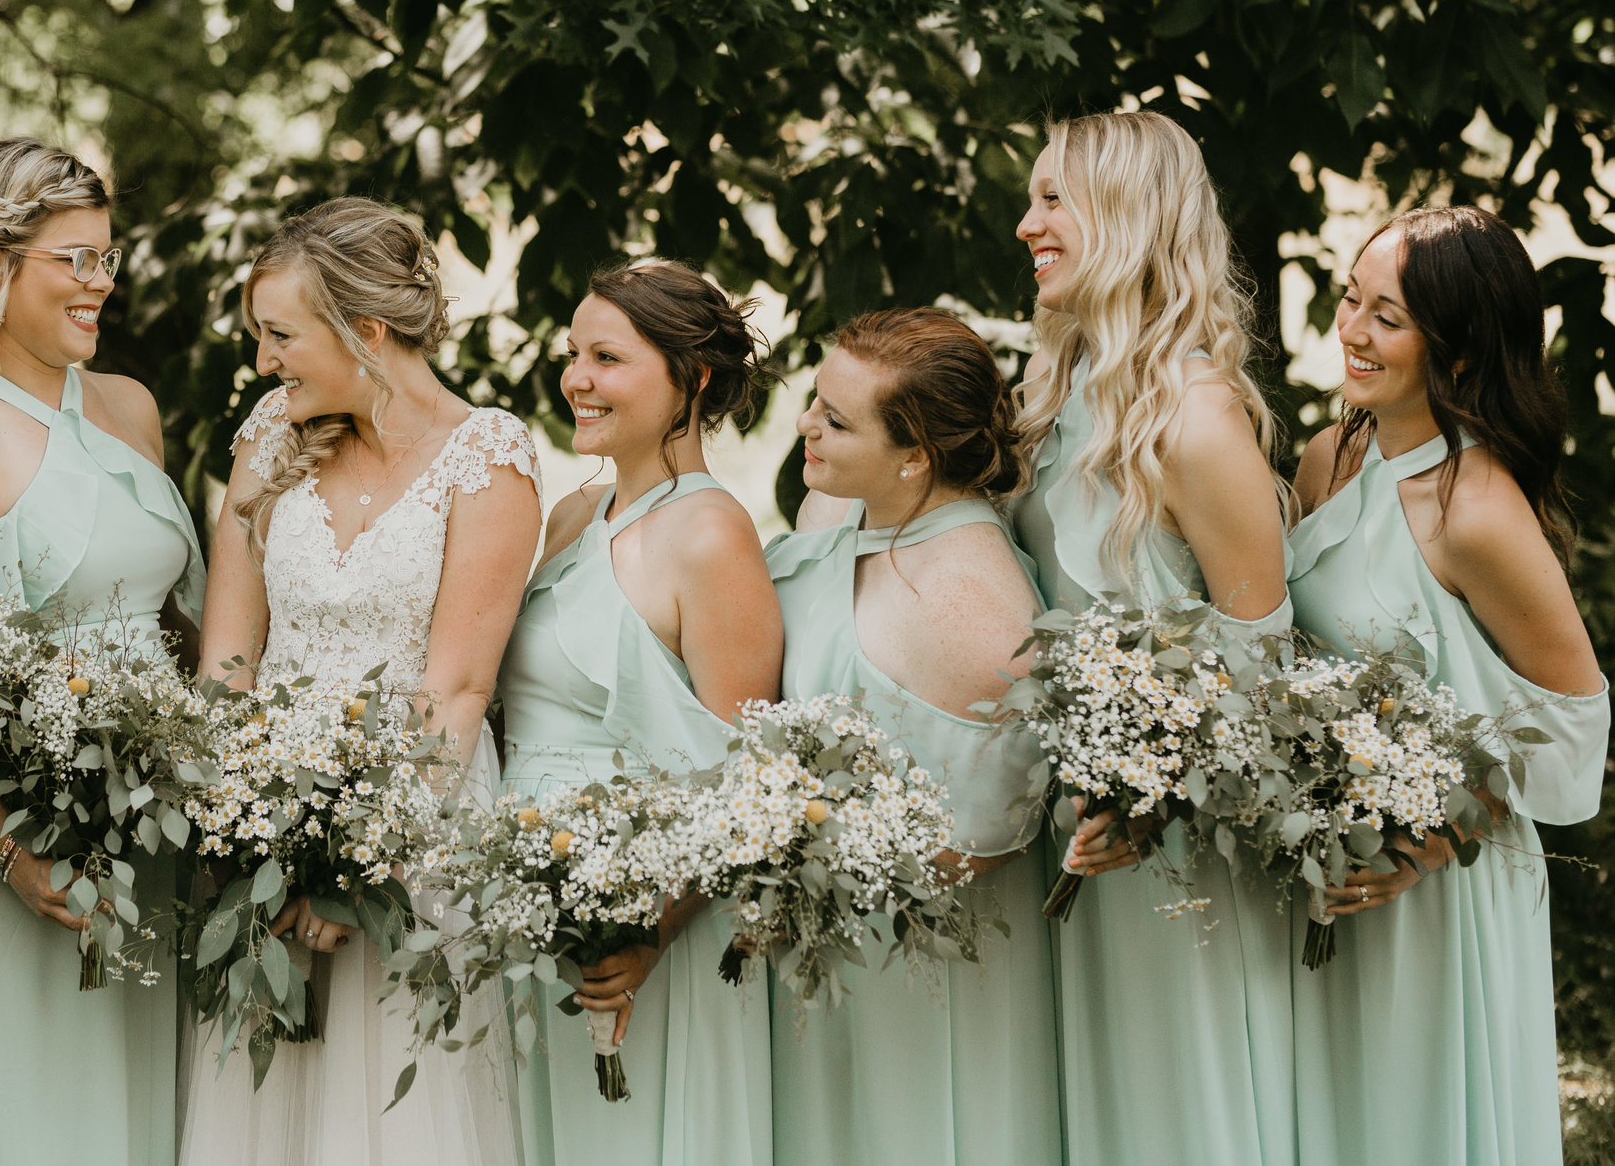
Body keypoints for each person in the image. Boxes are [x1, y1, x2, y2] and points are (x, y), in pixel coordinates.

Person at [180, 197, 540, 1165]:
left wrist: (351, 871)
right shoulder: (270, 432)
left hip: (416, 838)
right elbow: (227, 662)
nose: (263, 360)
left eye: (280, 333)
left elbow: (456, 690)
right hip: (265, 818)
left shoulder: (488, 459)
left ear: (366, 331)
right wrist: (248, 827)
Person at [0, 138, 205, 1166]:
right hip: (14, 843)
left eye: (108, 257)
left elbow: (173, 625)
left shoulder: (130, 406)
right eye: (76, 259)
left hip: (151, 836)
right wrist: (4, 848)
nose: (101, 282)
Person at [1286, 206, 1607, 1165]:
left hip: (1438, 889)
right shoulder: (1326, 457)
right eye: (1350, 297)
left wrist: (1428, 841)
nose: (1351, 329)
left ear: (1457, 348)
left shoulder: (1477, 511)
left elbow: (1572, 720)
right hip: (1323, 864)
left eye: (1387, 316)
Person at [1007, 110, 1298, 1166]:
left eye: (1051, 198)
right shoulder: (1057, 393)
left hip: (1175, 846)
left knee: (1177, 1115)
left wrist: (1150, 792)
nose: (1024, 222)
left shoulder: (1193, 413)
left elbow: (1265, 659)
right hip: (1071, 821)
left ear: (1127, 213)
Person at [497, 260, 780, 1165]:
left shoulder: (712, 534)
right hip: (532, 904)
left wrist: (649, 928)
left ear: (691, 379)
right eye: (573, 353)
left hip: (650, 928)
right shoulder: (576, 513)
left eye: (607, 357)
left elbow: (744, 774)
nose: (576, 378)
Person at [764, 308, 1062, 1164]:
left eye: (834, 419)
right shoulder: (835, 504)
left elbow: (992, 836)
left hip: (917, 967)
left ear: (916, 455)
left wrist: (804, 856)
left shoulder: (976, 607)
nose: (804, 426)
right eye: (814, 401)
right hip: (818, 952)